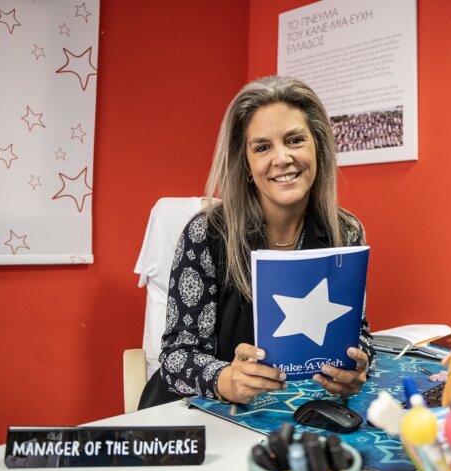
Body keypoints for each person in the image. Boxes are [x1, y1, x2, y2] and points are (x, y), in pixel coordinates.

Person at [139, 75, 376, 408]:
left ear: (318, 148)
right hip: (201, 409)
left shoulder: (345, 232)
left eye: (295, 140)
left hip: (294, 409)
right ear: (247, 165)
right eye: (262, 147)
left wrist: (359, 363)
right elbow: (177, 358)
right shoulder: (206, 233)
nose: (282, 158)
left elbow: (358, 332)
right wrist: (226, 380)